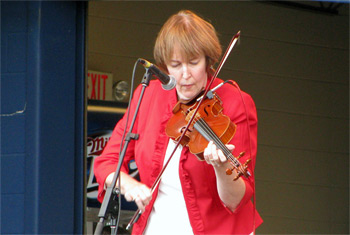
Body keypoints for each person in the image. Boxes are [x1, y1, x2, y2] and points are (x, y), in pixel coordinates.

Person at [94, 10, 263, 235]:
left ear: (208, 60)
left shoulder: (236, 102)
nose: (185, 75)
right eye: (175, 65)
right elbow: (108, 161)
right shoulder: (148, 95)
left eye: (193, 63)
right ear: (164, 66)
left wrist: (222, 168)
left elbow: (236, 200)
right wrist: (130, 186)